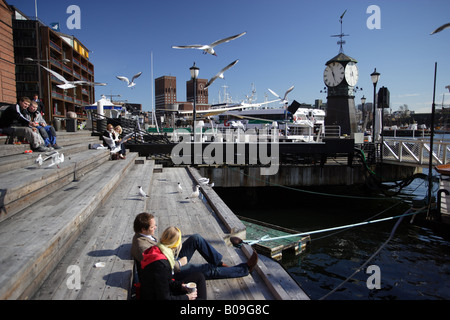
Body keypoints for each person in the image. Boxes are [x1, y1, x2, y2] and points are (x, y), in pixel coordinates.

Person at [131, 212, 258, 281]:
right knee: (208, 269)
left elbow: (159, 253)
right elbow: (158, 267)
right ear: (143, 228)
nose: (155, 228)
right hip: (171, 272)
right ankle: (245, 269)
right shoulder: (141, 246)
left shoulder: (143, 236)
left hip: (168, 259)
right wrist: (179, 263)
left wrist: (173, 246)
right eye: (153, 227)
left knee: (195, 238)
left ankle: (219, 262)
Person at [139, 226, 207, 300]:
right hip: (157, 296)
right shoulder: (161, 265)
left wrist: (181, 287)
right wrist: (187, 297)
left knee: (199, 276)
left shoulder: (158, 250)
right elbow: (164, 298)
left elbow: (167, 282)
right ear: (175, 244)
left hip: (161, 291)